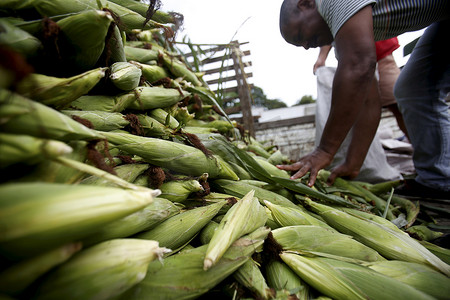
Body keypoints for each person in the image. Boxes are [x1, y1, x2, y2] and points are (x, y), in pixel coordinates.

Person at [277, 0, 450, 199]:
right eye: (301, 45)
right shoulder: (347, 28)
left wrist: (324, 150)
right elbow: (368, 99)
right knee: (414, 89)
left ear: (306, 4)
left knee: (414, 89)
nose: (307, 46)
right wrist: (353, 162)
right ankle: (438, 182)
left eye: (300, 36)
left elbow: (359, 66)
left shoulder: (331, 2)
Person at [313, 38, 409, 138]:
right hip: (354, 65)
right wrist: (321, 58)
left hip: (381, 58)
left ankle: (421, 147)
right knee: (362, 115)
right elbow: (330, 31)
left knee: (399, 106)